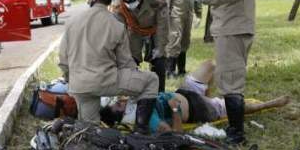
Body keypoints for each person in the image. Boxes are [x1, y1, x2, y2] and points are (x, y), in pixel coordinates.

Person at [58, 0, 159, 134]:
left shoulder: (71, 22)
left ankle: (91, 148)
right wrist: (133, 85)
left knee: (90, 129)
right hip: (106, 81)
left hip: (79, 86)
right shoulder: (117, 25)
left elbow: (63, 61)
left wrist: (72, 79)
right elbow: (126, 63)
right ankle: (141, 131)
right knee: (152, 80)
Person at [191, 0, 256, 144]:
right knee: (230, 77)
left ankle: (236, 134)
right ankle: (234, 128)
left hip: (232, 27)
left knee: (230, 79)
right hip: (232, 26)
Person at [100, 60, 290, 134]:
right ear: (120, 116)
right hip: (198, 109)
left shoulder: (132, 103)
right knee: (237, 107)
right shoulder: (146, 118)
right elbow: (176, 134)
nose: (121, 102)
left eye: (117, 102)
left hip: (184, 92)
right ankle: (269, 104)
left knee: (210, 65)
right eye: (118, 106)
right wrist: (174, 110)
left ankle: (209, 94)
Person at [112, 0, 170, 92]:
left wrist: (159, 48)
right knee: (130, 61)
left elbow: (162, 25)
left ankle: (159, 93)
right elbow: (119, 31)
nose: (129, 3)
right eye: (126, 0)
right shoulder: (118, 5)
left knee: (159, 61)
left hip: (155, 30)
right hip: (134, 31)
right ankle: (132, 90)